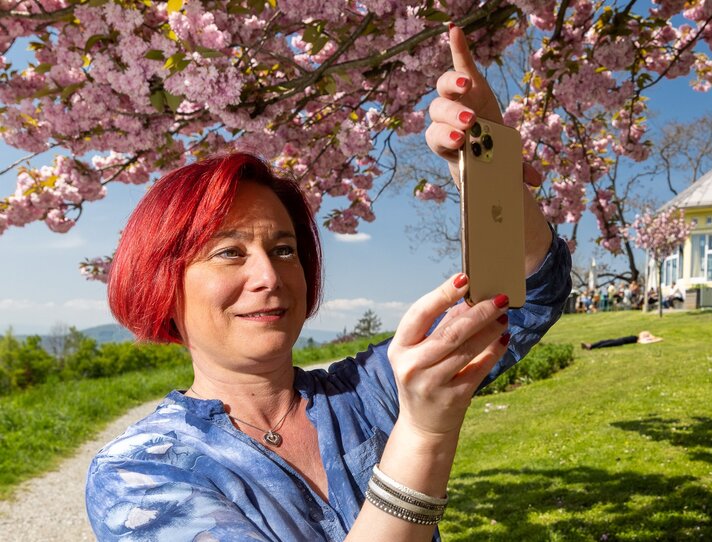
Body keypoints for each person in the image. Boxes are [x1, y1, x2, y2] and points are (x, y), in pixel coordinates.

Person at [85, 26, 571, 542]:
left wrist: (487, 170)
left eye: (284, 250)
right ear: (162, 284)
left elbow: (528, 294)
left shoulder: (366, 395)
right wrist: (423, 435)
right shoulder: (139, 476)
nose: (269, 277)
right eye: (229, 253)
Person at [581, 331, 663, 350]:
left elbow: (647, 341)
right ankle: (591, 345)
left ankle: (591, 347)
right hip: (621, 339)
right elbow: (647, 333)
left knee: (607, 344)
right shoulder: (642, 335)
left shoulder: (640, 340)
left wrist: (655, 340)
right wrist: (654, 338)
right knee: (604, 341)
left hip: (622, 341)